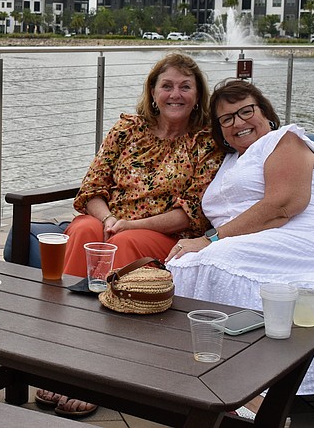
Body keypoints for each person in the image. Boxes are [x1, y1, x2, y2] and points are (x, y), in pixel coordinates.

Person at [166, 78, 314, 415]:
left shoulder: (285, 139)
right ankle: (220, 379)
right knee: (183, 263)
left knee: (202, 262)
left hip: (309, 242)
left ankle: (249, 396)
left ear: (265, 112)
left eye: (246, 111)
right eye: (227, 119)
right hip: (256, 247)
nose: (239, 122)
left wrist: (210, 240)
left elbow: (284, 204)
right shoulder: (228, 163)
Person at [40, 53, 223, 419]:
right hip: (110, 222)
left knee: (122, 244)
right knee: (84, 230)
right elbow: (92, 187)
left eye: (185, 87)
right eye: (167, 86)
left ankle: (97, 368)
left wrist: (129, 226)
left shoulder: (206, 141)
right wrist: (108, 218)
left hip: (163, 236)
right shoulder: (127, 129)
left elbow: (192, 211)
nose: (176, 94)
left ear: (197, 94)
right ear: (152, 91)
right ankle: (60, 352)